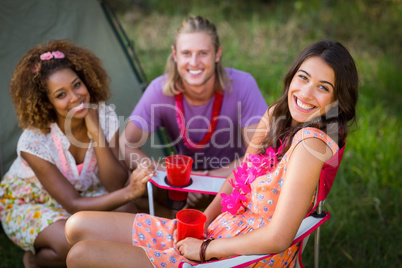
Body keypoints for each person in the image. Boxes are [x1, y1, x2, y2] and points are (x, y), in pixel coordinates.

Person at [64, 40, 359, 268]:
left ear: (337, 100)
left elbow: (278, 238)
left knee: (80, 255)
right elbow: (242, 173)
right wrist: (201, 223)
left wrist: (203, 249)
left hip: (241, 256)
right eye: (303, 78)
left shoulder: (311, 144)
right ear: (293, 76)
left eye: (323, 87)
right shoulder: (276, 116)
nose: (306, 93)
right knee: (77, 227)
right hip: (218, 231)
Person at [0, 40, 155, 268]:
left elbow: (114, 183)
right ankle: (35, 260)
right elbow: (73, 204)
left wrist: (96, 132)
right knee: (70, 243)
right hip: (30, 202)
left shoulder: (103, 115)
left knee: (127, 215)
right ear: (47, 102)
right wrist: (129, 192)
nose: (75, 97)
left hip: (85, 190)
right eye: (61, 94)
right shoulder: (34, 141)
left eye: (77, 85)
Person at [120, 16, 268, 177]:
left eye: (203, 53)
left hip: (234, 182)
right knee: (134, 188)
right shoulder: (159, 90)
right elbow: (126, 146)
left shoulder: (243, 85)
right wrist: (172, 174)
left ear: (217, 54)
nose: (194, 62)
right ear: (175, 55)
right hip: (181, 184)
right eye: (186, 53)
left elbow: (259, 155)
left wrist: (207, 178)